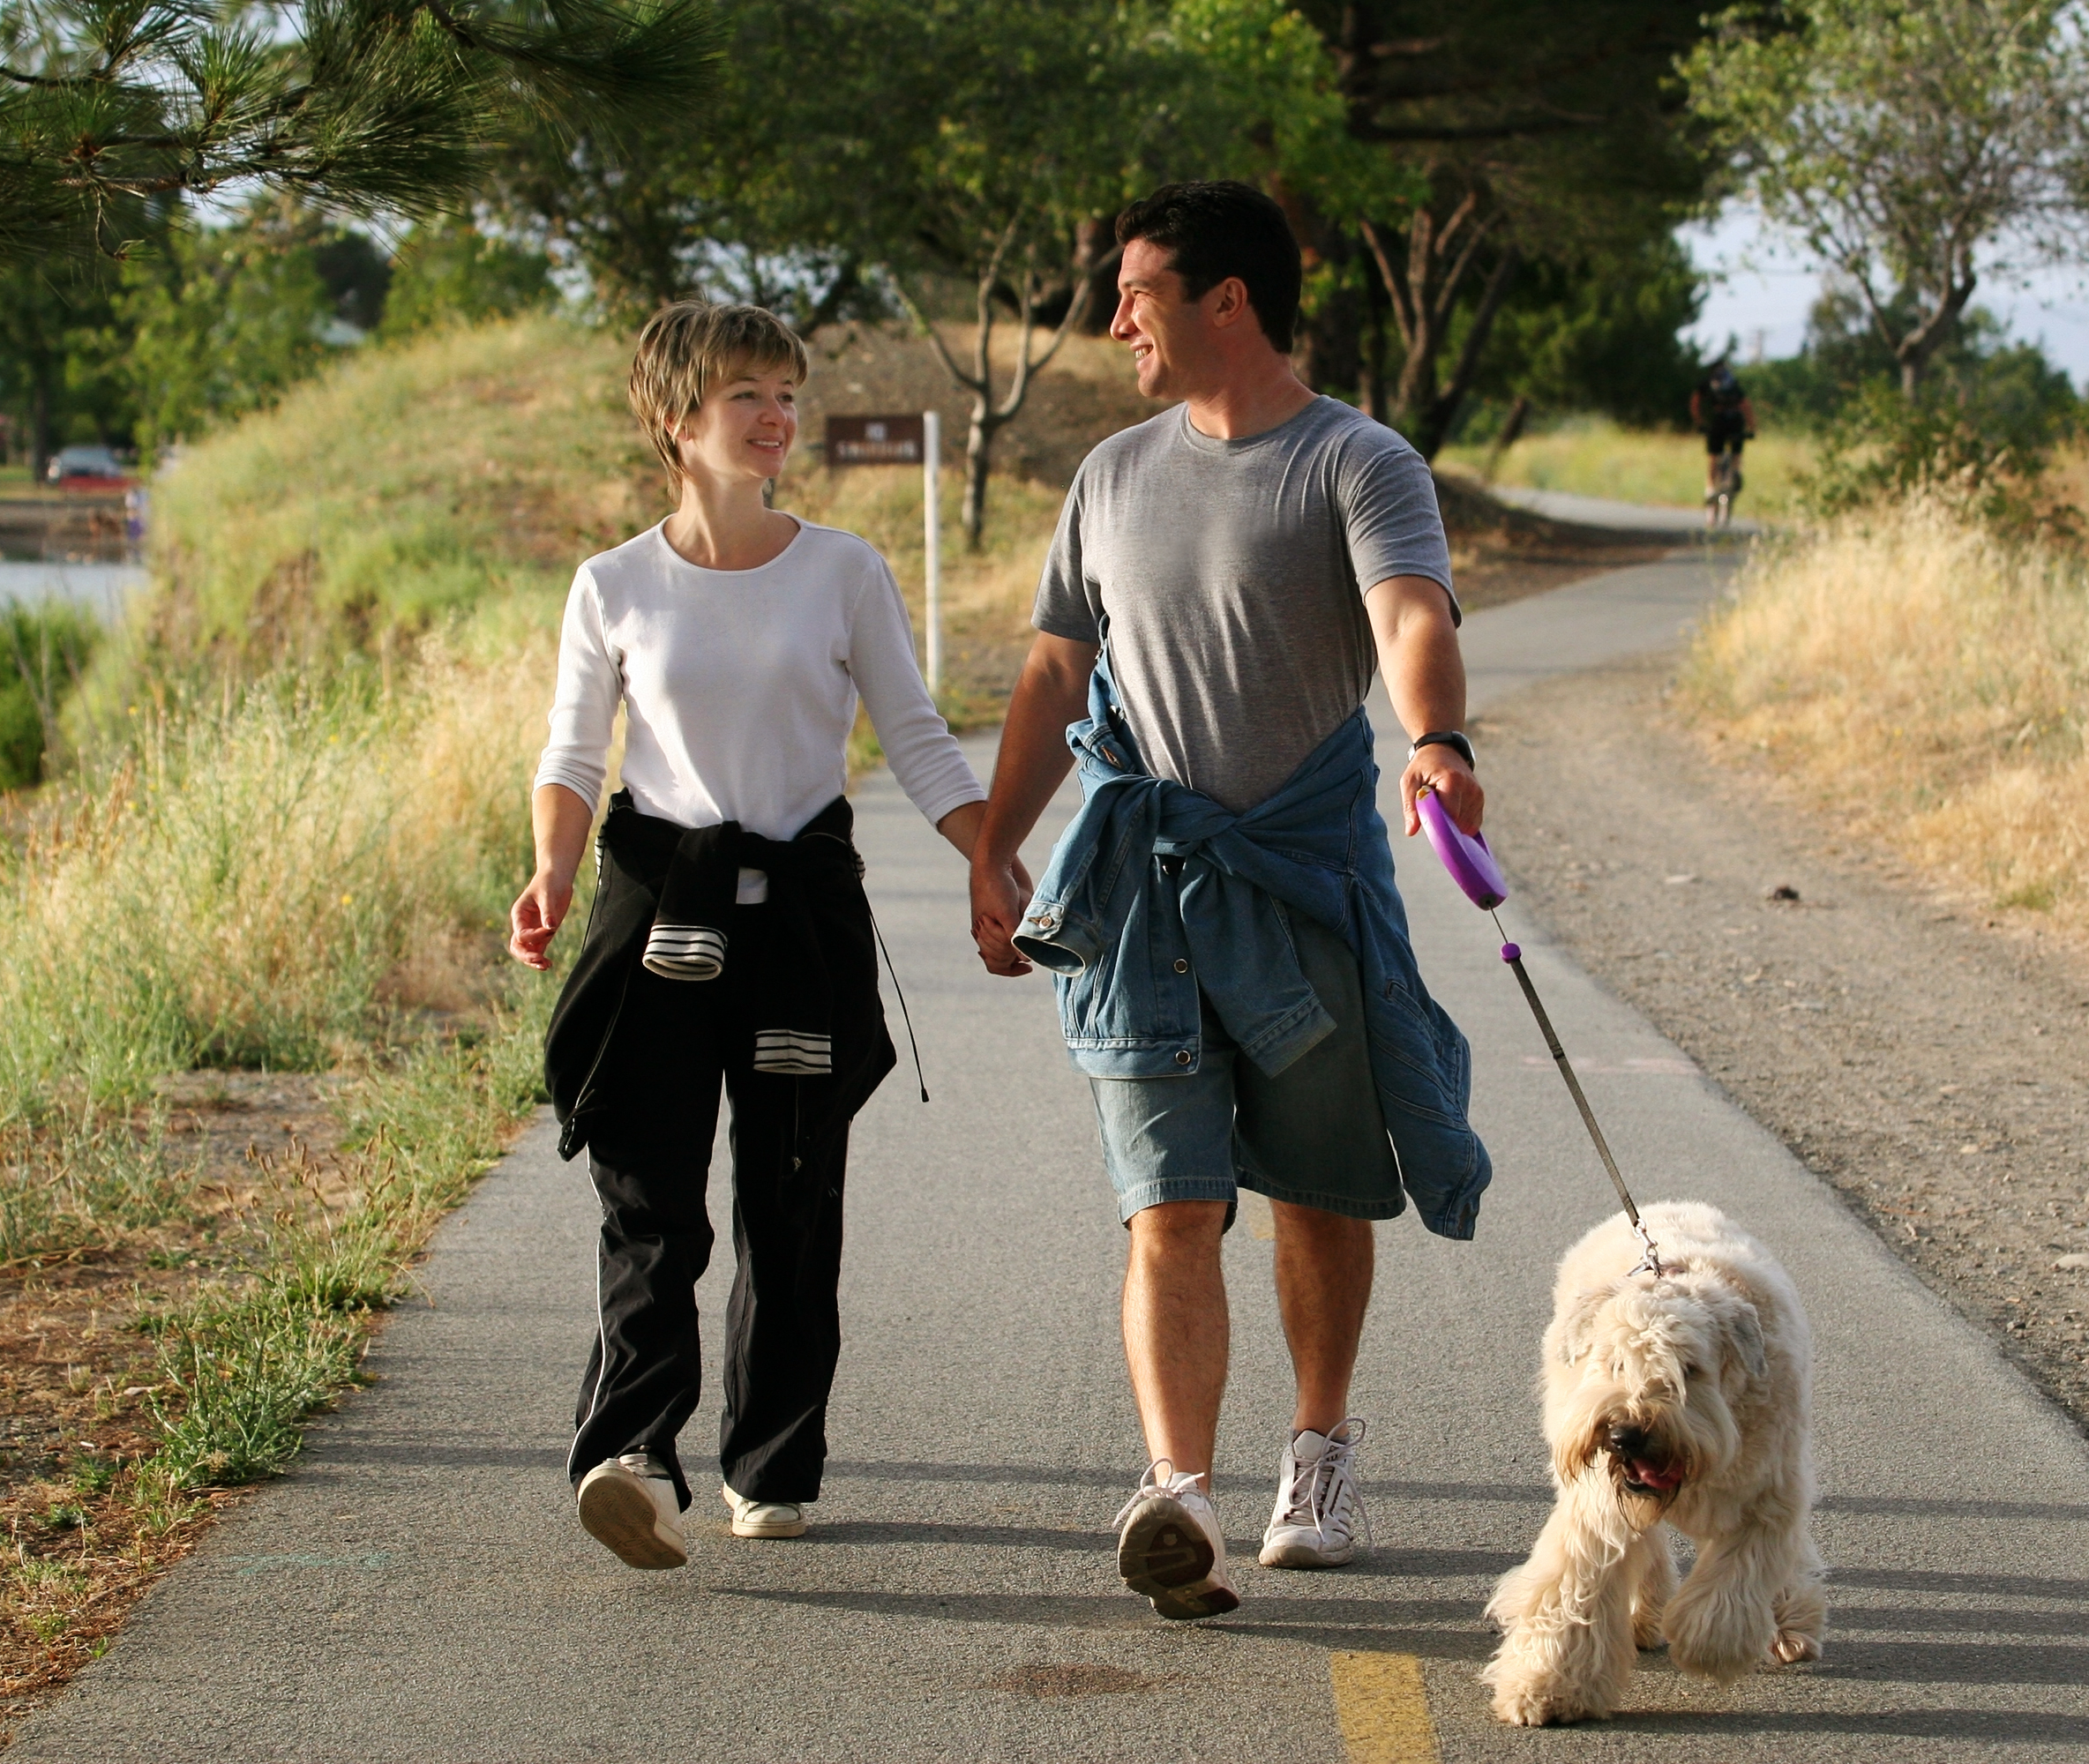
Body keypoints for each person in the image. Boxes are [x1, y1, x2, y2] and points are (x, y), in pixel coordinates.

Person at [966, 181, 1492, 1620]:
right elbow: (1054, 674)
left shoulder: (1356, 462)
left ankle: (1317, 1455)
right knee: (1170, 1203)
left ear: (1228, 302)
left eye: (1137, 290)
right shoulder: (1113, 477)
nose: (1115, 316)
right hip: (1145, 890)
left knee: (1320, 1192)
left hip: (1306, 875)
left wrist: (1438, 740)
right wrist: (994, 846)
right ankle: (1180, 1490)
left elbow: (1409, 615)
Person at [510, 300, 1013, 1572]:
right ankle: (630, 1455)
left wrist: (992, 862)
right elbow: (575, 752)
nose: (778, 416)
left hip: (800, 922)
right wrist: (550, 873)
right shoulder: (613, 582)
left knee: (793, 1199)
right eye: (748, 394)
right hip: (657, 919)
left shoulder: (842, 570)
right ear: (677, 420)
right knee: (648, 1199)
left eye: (787, 391)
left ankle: (772, 1466)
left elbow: (914, 736)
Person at [1691, 361, 1755, 525]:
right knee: (1736, 455)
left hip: (1717, 423)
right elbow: (1746, 406)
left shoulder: (1708, 383)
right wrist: (1752, 428)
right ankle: (1735, 472)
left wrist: (1700, 422)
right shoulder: (1733, 384)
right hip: (1736, 424)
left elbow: (1695, 403)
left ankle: (1711, 490)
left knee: (1714, 457)